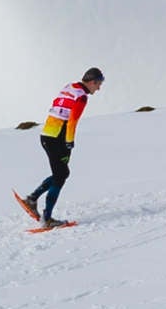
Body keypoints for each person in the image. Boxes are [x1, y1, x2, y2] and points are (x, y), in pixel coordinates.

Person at [15, 68, 102, 227]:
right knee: (61, 175)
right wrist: (69, 142)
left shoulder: (70, 87)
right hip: (58, 138)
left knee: (60, 173)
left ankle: (32, 200)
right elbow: (72, 121)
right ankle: (46, 218)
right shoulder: (81, 97)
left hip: (47, 134)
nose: (98, 89)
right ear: (92, 82)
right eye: (98, 85)